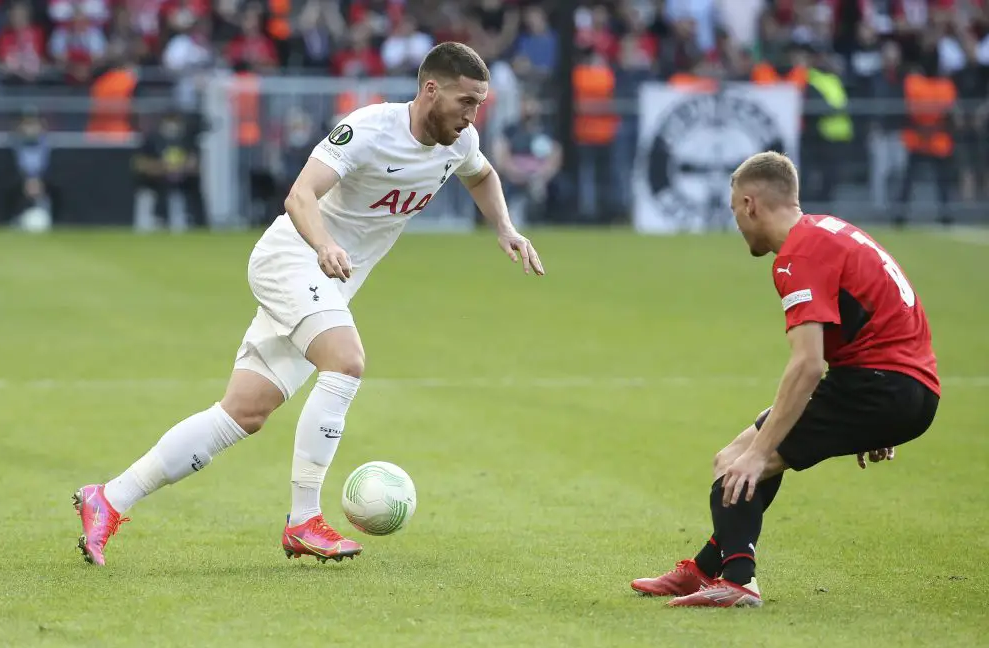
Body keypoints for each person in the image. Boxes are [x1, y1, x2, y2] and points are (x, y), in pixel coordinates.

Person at [72, 42, 545, 566]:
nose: (471, 114)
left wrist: (505, 228)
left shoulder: (461, 141)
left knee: (243, 413)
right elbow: (299, 195)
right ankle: (304, 520)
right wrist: (323, 244)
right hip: (293, 258)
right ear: (431, 89)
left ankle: (109, 498)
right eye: (465, 101)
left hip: (326, 282)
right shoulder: (369, 129)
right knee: (346, 361)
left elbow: (480, 174)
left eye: (479, 104)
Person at [630, 151, 939, 607]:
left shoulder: (798, 255)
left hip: (881, 386)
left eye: (735, 208)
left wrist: (760, 452)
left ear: (750, 204)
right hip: (903, 385)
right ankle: (704, 569)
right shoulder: (831, 231)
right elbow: (883, 315)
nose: (736, 221)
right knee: (740, 455)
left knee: (738, 462)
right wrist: (887, 415)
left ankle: (738, 581)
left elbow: (808, 364)